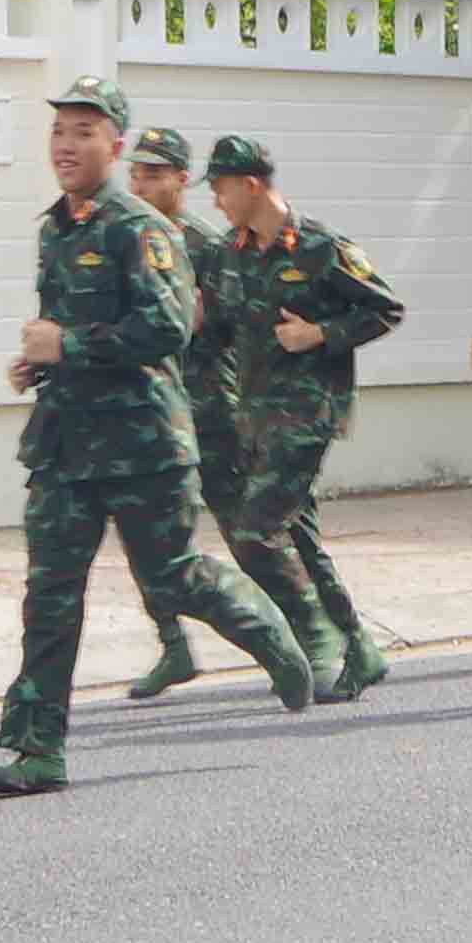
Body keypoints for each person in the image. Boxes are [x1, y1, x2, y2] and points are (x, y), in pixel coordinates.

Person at [0, 74, 312, 793]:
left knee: (174, 577)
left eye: (84, 132)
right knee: (50, 596)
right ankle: (38, 751)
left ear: (115, 144)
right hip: (66, 446)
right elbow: (69, 330)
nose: (66, 145)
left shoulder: (145, 230)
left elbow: (165, 328)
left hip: (143, 447)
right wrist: (36, 364)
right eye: (59, 131)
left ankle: (268, 633)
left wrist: (64, 344)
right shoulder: (55, 229)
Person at [196, 133, 405, 698]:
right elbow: (214, 330)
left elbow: (385, 309)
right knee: (300, 538)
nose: (215, 199)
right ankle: (359, 646)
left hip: (309, 412)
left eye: (220, 188)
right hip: (255, 416)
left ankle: (320, 646)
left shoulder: (319, 247)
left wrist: (318, 333)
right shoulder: (229, 253)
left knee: (255, 532)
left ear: (252, 184)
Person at [120, 118, 231, 702]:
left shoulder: (206, 246)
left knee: (249, 533)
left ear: (181, 180)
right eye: (135, 173)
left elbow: (229, 326)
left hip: (208, 407)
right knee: (147, 536)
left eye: (154, 175)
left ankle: (307, 636)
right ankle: (174, 645)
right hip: (150, 412)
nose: (140, 184)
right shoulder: (124, 234)